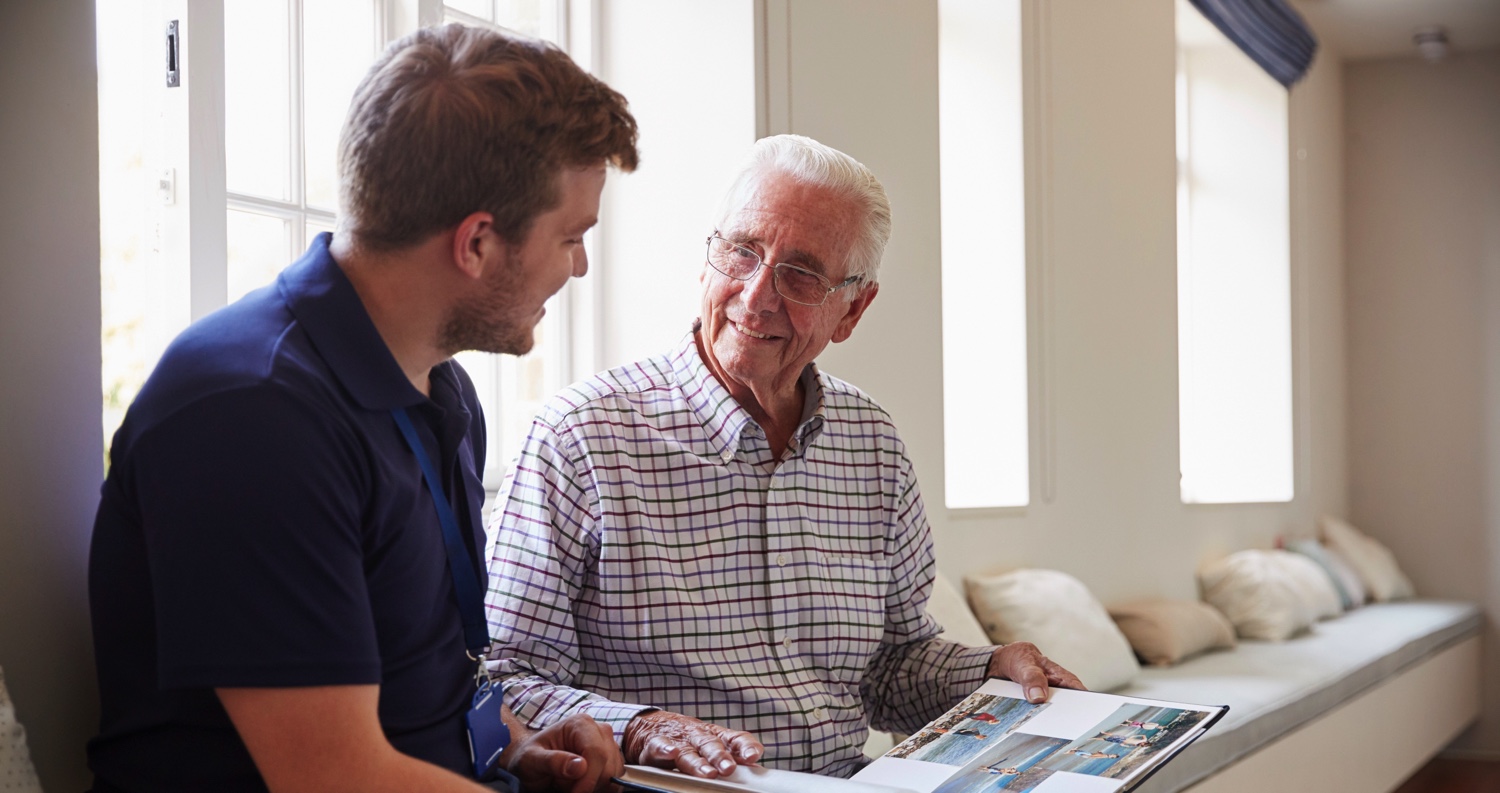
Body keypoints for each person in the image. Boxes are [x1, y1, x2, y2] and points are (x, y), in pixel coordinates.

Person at [87, 24, 637, 793]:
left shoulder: (439, 386)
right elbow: (332, 776)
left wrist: (516, 745)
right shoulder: (252, 415)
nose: (577, 266)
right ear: (477, 241)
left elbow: (418, 682)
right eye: (571, 237)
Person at [482, 134, 1083, 780]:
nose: (756, 295)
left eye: (799, 273)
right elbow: (504, 680)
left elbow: (889, 666)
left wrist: (990, 669)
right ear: (707, 257)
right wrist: (640, 727)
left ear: (852, 308)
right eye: (741, 252)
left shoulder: (873, 445)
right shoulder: (580, 437)